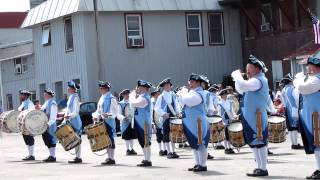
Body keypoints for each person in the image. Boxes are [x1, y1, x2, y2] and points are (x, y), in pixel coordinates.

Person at [232, 55, 269, 177]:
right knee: (253, 142)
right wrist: (238, 79)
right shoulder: (253, 80)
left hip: (256, 117)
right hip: (250, 117)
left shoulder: (258, 80)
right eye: (247, 68)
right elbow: (240, 89)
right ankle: (259, 167)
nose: (247, 71)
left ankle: (263, 168)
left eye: (250, 68)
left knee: (259, 141)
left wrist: (237, 76)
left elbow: (242, 86)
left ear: (257, 69)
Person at [293, 56, 320, 179]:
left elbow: (302, 88)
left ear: (315, 68)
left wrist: (298, 80)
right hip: (313, 117)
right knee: (316, 144)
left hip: (317, 117)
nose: (307, 69)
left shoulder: (316, 80)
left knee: (318, 143)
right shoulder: (313, 79)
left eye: (309, 66)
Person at [179, 73, 210, 172]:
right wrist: (183, 94)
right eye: (190, 82)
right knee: (194, 144)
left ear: (198, 83)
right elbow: (182, 102)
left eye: (192, 82)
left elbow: (188, 101)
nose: (190, 84)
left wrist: (183, 93)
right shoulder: (192, 92)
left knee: (201, 144)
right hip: (191, 123)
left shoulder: (199, 93)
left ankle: (203, 164)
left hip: (199, 122)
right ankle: (197, 163)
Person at [154, 78, 181, 159]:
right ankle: (169, 152)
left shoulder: (173, 95)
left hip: (173, 117)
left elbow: (177, 105)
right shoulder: (161, 97)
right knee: (166, 135)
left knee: (173, 134)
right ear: (163, 87)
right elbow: (157, 108)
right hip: (166, 118)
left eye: (169, 85)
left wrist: (178, 112)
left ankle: (173, 151)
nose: (168, 86)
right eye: (166, 85)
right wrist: (164, 114)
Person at [129, 80, 153, 167]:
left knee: (146, 141)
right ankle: (145, 158)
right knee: (142, 141)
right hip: (139, 122)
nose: (137, 88)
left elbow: (134, 103)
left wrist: (131, 96)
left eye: (139, 87)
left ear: (144, 88)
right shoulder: (140, 96)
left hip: (144, 123)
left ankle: (148, 160)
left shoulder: (145, 97)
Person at [280, 74, 303, 150]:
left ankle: (293, 143)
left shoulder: (283, 89)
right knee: (295, 127)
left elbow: (283, 101)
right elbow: (297, 99)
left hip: (287, 109)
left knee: (290, 127)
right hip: (294, 109)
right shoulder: (293, 88)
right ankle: (295, 144)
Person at [64, 80, 82, 164]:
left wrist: (69, 116)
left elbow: (76, 111)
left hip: (75, 120)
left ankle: (78, 157)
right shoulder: (71, 96)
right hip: (71, 119)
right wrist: (66, 118)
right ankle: (77, 156)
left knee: (77, 139)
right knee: (74, 139)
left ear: (72, 89)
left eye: (69, 87)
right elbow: (68, 109)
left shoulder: (75, 97)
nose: (67, 88)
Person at [117, 89, 138, 156]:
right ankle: (127, 149)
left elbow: (135, 111)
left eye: (128, 94)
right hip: (125, 122)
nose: (127, 95)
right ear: (123, 95)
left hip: (132, 121)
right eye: (125, 94)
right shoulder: (120, 103)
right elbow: (118, 113)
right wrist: (123, 118)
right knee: (127, 137)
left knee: (132, 136)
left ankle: (132, 149)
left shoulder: (132, 102)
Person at [41, 88, 58, 162]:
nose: (44, 95)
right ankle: (51, 155)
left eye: (45, 94)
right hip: (45, 125)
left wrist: (48, 124)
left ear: (49, 95)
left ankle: (53, 156)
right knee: (47, 140)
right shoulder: (46, 102)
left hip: (50, 125)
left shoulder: (52, 103)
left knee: (51, 140)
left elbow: (53, 117)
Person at [18, 90, 36, 161]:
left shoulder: (30, 103)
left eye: (22, 95)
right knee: (26, 139)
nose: (21, 96)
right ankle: (30, 154)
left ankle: (32, 155)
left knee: (30, 139)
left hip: (28, 124)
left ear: (26, 96)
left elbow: (31, 114)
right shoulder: (23, 103)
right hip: (23, 125)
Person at [218, 89, 237, 154]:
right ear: (221, 96)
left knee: (229, 134)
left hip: (230, 119)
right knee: (225, 134)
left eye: (226, 95)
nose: (225, 96)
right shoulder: (220, 103)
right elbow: (220, 114)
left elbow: (232, 111)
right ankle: (226, 148)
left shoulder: (229, 102)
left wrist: (235, 116)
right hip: (224, 120)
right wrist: (222, 122)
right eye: (224, 95)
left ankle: (230, 147)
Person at [151, 88, 167, 156]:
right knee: (158, 136)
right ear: (154, 95)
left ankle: (165, 149)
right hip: (156, 121)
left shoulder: (162, 102)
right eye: (157, 94)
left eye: (159, 94)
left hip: (163, 120)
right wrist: (152, 123)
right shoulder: (152, 103)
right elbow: (151, 113)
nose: (158, 95)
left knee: (164, 135)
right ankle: (160, 149)